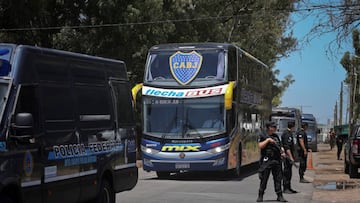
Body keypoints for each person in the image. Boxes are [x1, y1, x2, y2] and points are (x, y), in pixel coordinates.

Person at [256, 121, 287, 202]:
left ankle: (279, 195)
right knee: (264, 179)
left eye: (275, 127)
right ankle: (260, 195)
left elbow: (280, 146)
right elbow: (260, 146)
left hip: (276, 160)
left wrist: (282, 152)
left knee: (278, 179)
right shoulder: (263, 136)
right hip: (267, 160)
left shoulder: (276, 136)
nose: (275, 128)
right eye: (273, 127)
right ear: (269, 127)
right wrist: (268, 140)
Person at [281, 121, 298, 193]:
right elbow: (287, 147)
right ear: (293, 126)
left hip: (289, 156)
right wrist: (291, 157)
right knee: (287, 172)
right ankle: (285, 188)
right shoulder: (287, 134)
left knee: (289, 173)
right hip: (287, 156)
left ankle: (289, 187)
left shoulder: (289, 133)